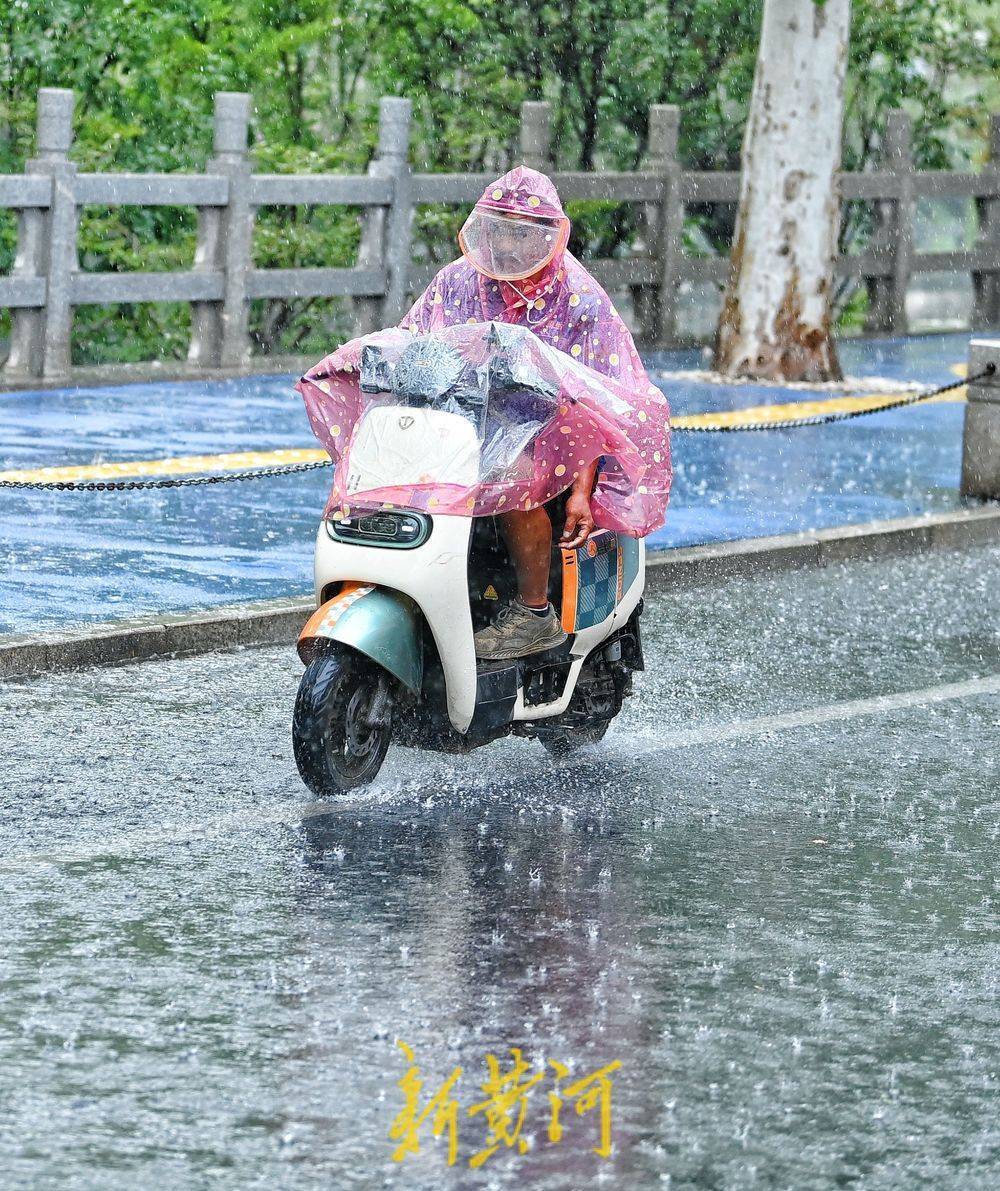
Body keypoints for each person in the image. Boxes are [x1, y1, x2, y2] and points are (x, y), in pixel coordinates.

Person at [399, 165, 663, 661]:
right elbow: (413, 344)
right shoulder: (456, 281)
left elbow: (596, 407)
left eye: (524, 233)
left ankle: (534, 612)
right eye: (500, 228)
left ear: (548, 236)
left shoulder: (579, 299)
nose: (509, 244)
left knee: (512, 475)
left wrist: (583, 494)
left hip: (556, 440)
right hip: (461, 430)